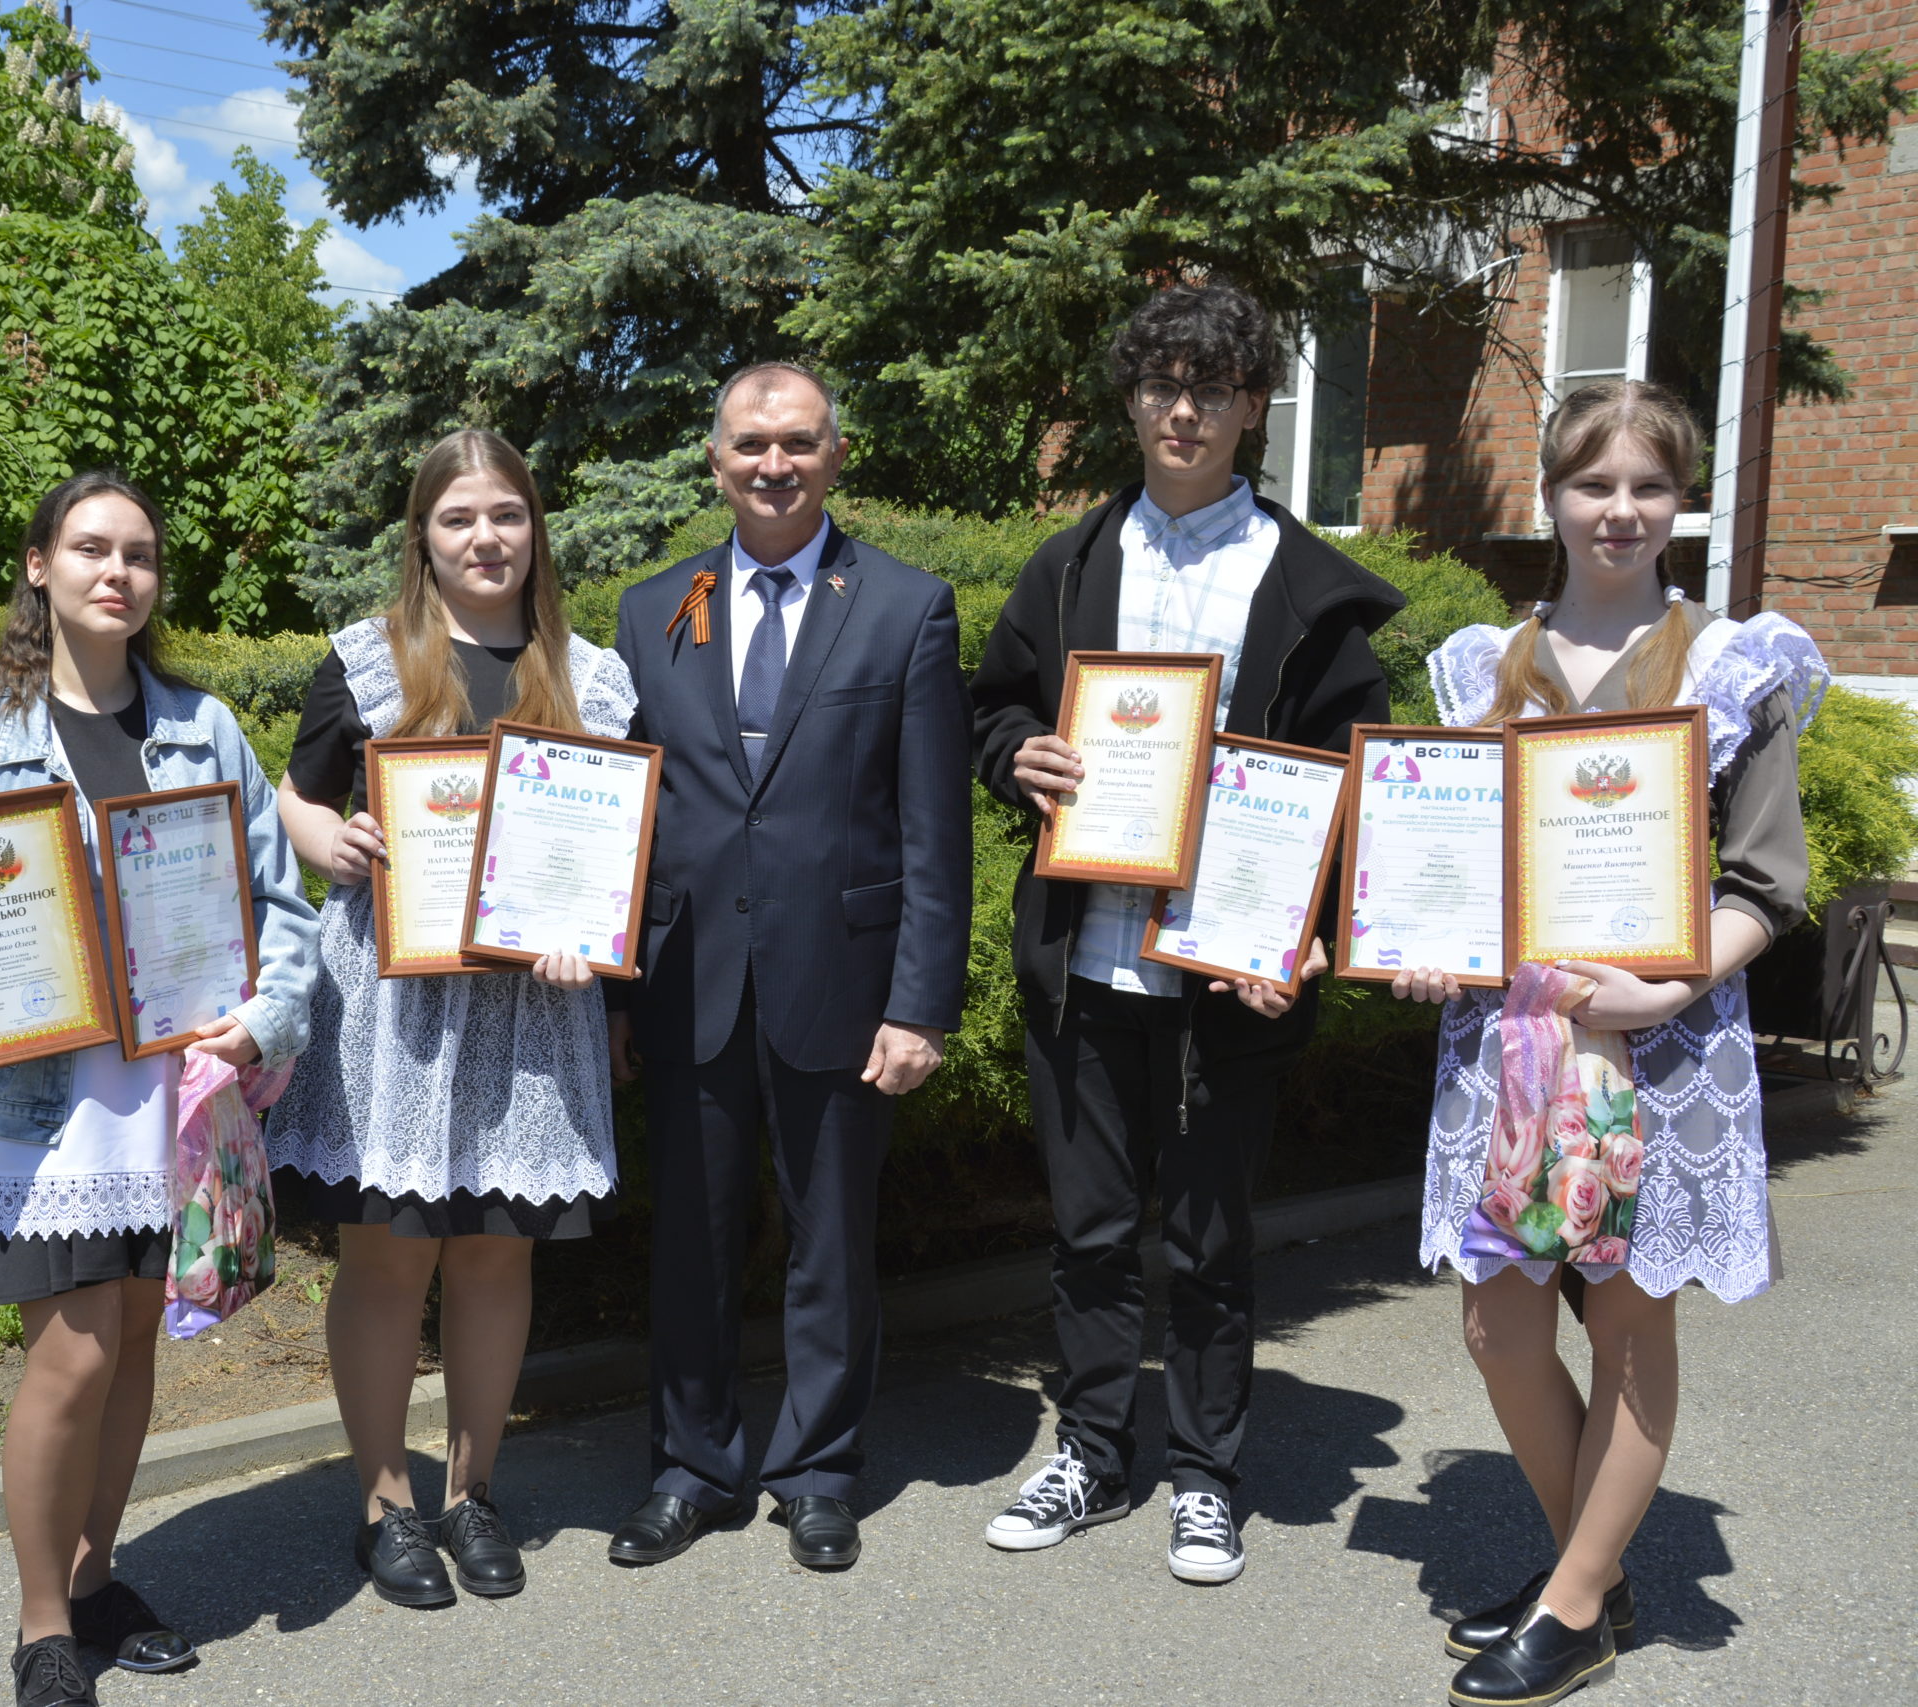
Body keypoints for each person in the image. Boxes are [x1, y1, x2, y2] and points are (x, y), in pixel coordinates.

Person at [1397, 379, 1825, 1707]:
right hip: (1512, 1046)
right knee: (1498, 1322)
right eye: (1594, 483)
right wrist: (1425, 940)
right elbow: (1447, 859)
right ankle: (1597, 1567)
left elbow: (1767, 882)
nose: (1620, 509)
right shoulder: (1485, 665)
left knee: (1630, 1326)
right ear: (1552, 497)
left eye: (1649, 485)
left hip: (1664, 1046)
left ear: (1682, 501)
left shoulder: (1732, 666)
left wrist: (1662, 988)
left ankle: (1576, 1599)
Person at [969, 283, 1405, 1584]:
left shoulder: (1305, 588)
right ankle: (1096, 1450)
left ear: (1253, 406)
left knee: (1211, 1241)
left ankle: (1206, 1474)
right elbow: (991, 708)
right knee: (1090, 1232)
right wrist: (1016, 754)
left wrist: (1313, 929)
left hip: (1228, 974)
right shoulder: (1070, 564)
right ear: (1131, 400)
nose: (1182, 411)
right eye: (1161, 385)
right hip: (1085, 957)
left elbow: (1354, 786)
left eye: (1211, 388)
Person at [0, 472, 320, 1707]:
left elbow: (279, 906)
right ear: (40, 566)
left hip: (166, 1090)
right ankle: (42, 1629)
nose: (115, 571)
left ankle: (93, 1580)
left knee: (130, 1348)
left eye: (137, 553)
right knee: (72, 1358)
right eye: (88, 548)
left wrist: (263, 1021)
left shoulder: (203, 726)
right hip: (40, 1099)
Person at [604, 361, 972, 1574]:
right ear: (715, 459)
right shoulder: (650, 609)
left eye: (799, 443)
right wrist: (613, 992)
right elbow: (624, 820)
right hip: (686, 980)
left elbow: (933, 828)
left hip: (845, 984)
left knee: (832, 1246)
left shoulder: (905, 607)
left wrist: (919, 1004)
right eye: (752, 444)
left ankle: (817, 1470)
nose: (775, 465)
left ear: (836, 454)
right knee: (690, 1242)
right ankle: (692, 1467)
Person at [264, 429, 637, 1608]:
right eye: (459, 518)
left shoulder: (595, 677)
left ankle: (474, 1494)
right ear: (422, 538)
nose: (486, 538)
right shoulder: (368, 663)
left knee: (493, 1253)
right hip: (397, 1012)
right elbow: (294, 799)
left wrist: (592, 936)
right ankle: (386, 1505)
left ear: (536, 529)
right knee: (388, 1257)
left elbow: (611, 852)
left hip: (533, 1011)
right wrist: (337, 841)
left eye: (506, 515)